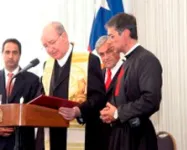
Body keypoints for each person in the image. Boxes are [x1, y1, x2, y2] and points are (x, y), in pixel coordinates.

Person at [100, 13, 162, 150]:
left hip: (138, 138)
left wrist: (117, 113)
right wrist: (110, 113)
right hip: (120, 134)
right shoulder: (127, 62)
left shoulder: (147, 60)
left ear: (126, 33)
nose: (109, 41)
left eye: (112, 36)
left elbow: (151, 100)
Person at [40, 22, 106, 150]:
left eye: (52, 42)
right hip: (54, 134)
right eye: (45, 46)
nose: (50, 49)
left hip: (84, 133)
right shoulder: (47, 66)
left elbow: (99, 97)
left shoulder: (89, 60)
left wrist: (79, 111)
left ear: (64, 36)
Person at [0, 38, 40, 150]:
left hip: (23, 143)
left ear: (20, 55)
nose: (11, 56)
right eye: (7, 52)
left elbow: (36, 112)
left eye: (15, 52)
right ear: (2, 54)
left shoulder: (33, 80)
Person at [95, 35, 123, 150]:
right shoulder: (98, 74)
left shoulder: (127, 70)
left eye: (109, 51)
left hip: (122, 134)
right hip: (101, 137)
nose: (105, 57)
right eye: (102, 54)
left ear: (116, 49)